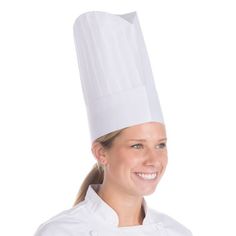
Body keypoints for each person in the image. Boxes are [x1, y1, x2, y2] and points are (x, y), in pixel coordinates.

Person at [34, 11, 192, 236]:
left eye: (161, 145)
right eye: (137, 145)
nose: (154, 160)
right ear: (101, 153)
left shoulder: (177, 232)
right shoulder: (60, 232)